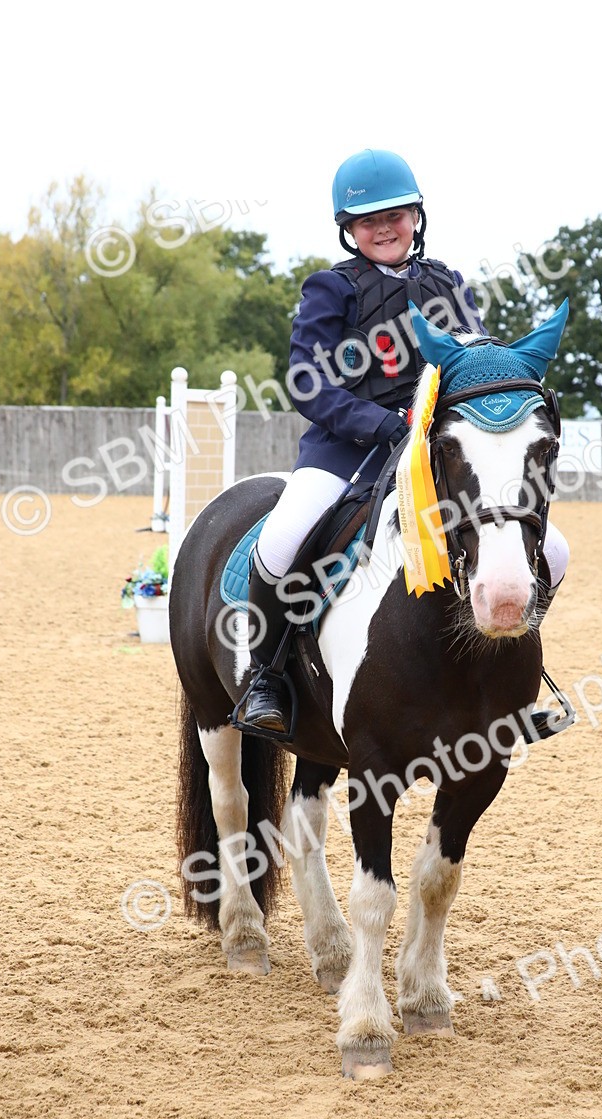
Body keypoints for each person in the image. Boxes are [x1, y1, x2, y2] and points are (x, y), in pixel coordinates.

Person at [242, 149, 569, 737]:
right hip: (347, 451)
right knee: (282, 540)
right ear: (348, 230)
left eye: (396, 214)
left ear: (416, 215)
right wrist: (379, 422)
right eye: (369, 220)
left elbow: (470, 360)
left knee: (555, 549)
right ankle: (265, 677)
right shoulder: (329, 290)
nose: (384, 228)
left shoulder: (445, 282)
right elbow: (307, 383)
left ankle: (510, 676)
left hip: (432, 451)